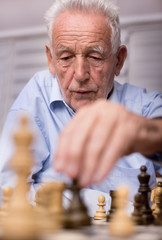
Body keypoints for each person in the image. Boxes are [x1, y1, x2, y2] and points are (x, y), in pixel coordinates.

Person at [0, 0, 162, 214]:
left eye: (95, 57)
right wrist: (111, 205)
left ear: (119, 61)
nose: (80, 74)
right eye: (65, 57)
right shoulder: (36, 96)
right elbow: (8, 193)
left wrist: (144, 132)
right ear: (51, 59)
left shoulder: (144, 106)